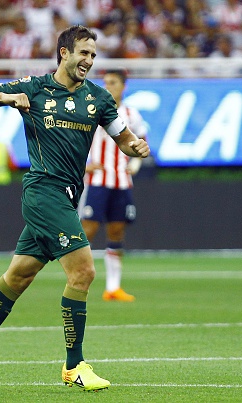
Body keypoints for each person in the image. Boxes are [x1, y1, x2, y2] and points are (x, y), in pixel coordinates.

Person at [0, 25, 150, 393]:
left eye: (93, 55)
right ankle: (74, 365)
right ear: (64, 53)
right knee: (84, 272)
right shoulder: (34, 87)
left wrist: (134, 146)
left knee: (19, 276)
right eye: (83, 53)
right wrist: (7, 99)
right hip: (44, 192)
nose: (89, 60)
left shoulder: (100, 99)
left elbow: (123, 137)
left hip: (69, 196)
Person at [80, 69, 148, 302]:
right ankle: (78, 279)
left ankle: (113, 287)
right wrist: (83, 165)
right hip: (98, 180)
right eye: (105, 82)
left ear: (123, 86)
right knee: (86, 230)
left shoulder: (131, 114)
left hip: (121, 180)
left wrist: (137, 163)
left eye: (113, 82)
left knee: (117, 232)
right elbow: (76, 139)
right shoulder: (92, 109)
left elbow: (142, 139)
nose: (108, 86)